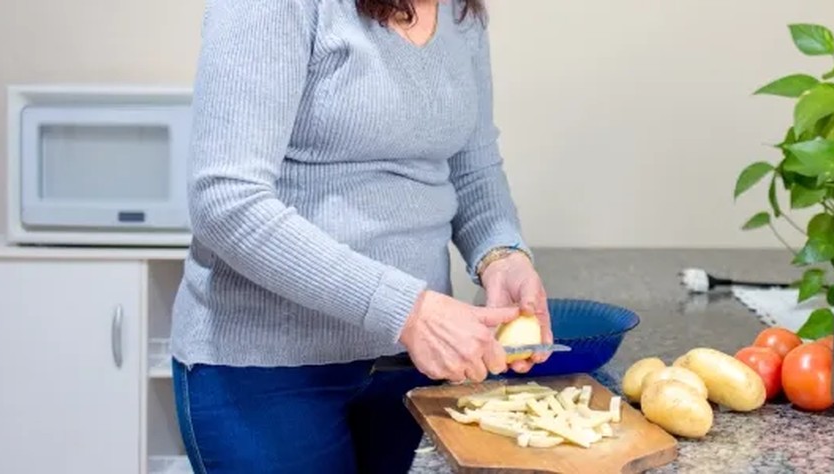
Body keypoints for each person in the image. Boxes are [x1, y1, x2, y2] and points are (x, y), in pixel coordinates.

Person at [168, 0, 552, 472]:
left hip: (410, 368)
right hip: (265, 373)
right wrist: (407, 310)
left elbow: (472, 168)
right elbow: (227, 202)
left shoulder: (459, 13)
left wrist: (502, 254)